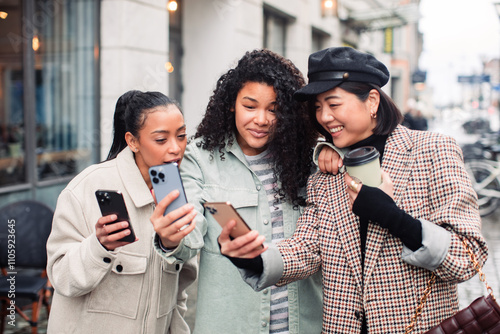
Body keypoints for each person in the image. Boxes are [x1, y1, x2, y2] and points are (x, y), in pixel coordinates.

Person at [219, 47, 488, 333]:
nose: (324, 117)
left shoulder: (433, 151)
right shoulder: (326, 174)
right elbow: (307, 249)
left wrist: (392, 217)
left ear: (372, 101)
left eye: (333, 104)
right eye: (318, 107)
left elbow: (467, 256)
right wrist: (254, 258)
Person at [157, 49, 324, 333]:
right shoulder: (200, 158)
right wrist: (171, 238)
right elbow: (189, 234)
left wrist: (329, 149)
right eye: (250, 106)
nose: (261, 119)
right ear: (231, 104)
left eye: (274, 109)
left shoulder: (311, 160)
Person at [46, 90, 198, 334]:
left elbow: (180, 289)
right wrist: (99, 246)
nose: (176, 148)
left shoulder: (181, 191)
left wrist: (171, 246)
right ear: (132, 141)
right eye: (161, 139)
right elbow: (61, 278)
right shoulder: (85, 188)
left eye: (181, 136)